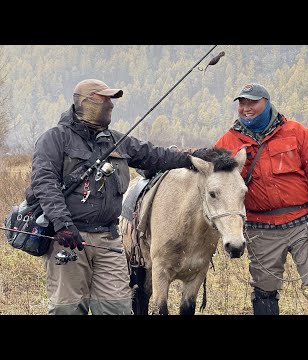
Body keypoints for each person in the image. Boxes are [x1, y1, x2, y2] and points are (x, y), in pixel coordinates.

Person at [29, 78, 199, 315]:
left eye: (111, 100)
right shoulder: (55, 139)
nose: (110, 104)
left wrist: (196, 157)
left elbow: (155, 156)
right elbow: (44, 183)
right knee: (67, 308)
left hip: (109, 237)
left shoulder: (116, 140)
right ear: (85, 102)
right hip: (68, 239)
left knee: (116, 307)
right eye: (104, 99)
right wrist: (62, 224)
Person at [215, 83, 308, 315]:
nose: (246, 108)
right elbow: (216, 186)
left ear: (267, 102)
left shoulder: (296, 131)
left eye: (252, 102)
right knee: (265, 292)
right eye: (242, 103)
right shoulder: (227, 143)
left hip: (303, 224)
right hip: (261, 229)